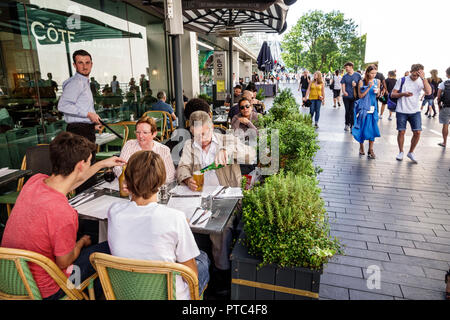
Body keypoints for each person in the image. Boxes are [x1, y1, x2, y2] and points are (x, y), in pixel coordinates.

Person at [1, 132, 126, 299]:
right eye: (90, 161)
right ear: (81, 165)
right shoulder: (63, 212)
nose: (91, 164)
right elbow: (64, 262)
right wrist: (81, 243)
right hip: (51, 289)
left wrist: (100, 164)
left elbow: (69, 182)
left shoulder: (34, 181)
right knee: (106, 248)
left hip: (10, 278)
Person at [108, 150, 209, 300]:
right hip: (170, 295)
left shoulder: (114, 211)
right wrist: (180, 224)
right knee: (203, 258)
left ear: (126, 181)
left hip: (126, 293)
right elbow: (191, 275)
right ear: (161, 182)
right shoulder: (175, 218)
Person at [177, 111, 256, 276]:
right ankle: (192, 266)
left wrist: (229, 151)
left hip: (225, 197)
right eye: (196, 135)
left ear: (212, 127)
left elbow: (252, 155)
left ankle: (221, 271)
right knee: (180, 221)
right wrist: (186, 179)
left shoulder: (227, 140)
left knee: (221, 229)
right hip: (198, 196)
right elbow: (183, 167)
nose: (201, 139)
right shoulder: (189, 146)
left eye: (204, 133)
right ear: (191, 131)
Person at [58, 50, 102, 191]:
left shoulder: (82, 82)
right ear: (74, 65)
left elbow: (82, 106)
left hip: (83, 129)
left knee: (86, 170)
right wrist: (88, 115)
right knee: (84, 171)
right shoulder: (76, 83)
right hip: (79, 131)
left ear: (92, 64)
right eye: (80, 63)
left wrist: (92, 124)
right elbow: (63, 105)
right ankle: (85, 206)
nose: (84, 66)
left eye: (87, 62)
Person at [112, 116, 176, 182]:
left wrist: (148, 182)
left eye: (145, 133)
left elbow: (170, 175)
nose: (140, 136)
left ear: (154, 134)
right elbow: (118, 167)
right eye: (138, 132)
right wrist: (127, 179)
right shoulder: (129, 145)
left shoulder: (163, 150)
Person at [391, 64, 432, 163]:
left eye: (418, 75)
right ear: (410, 71)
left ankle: (411, 152)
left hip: (415, 111)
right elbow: (392, 94)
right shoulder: (402, 80)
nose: (415, 77)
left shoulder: (421, 81)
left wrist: (423, 78)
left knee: (417, 132)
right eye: (414, 75)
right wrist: (403, 94)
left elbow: (429, 92)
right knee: (401, 132)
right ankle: (401, 152)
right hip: (402, 110)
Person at [352, 64, 381, 159]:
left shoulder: (377, 81)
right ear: (367, 72)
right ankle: (361, 147)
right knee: (362, 128)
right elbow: (360, 96)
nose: (374, 75)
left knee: (373, 128)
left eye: (375, 73)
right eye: (372, 73)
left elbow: (377, 96)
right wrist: (368, 87)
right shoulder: (362, 82)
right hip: (364, 108)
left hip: (373, 108)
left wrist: (378, 93)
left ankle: (371, 149)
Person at [341, 62, 362, 131]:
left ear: (351, 67)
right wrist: (344, 92)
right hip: (346, 97)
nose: (346, 69)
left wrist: (355, 86)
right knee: (347, 111)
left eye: (347, 67)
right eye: (345, 67)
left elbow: (361, 85)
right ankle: (347, 124)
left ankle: (352, 125)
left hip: (355, 96)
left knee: (352, 111)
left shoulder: (358, 75)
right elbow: (343, 85)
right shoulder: (345, 76)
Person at [436, 67, 450, 148]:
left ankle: (444, 142)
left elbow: (438, 97)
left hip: (446, 107)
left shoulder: (443, 83)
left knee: (445, 125)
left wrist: (439, 107)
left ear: (447, 74)